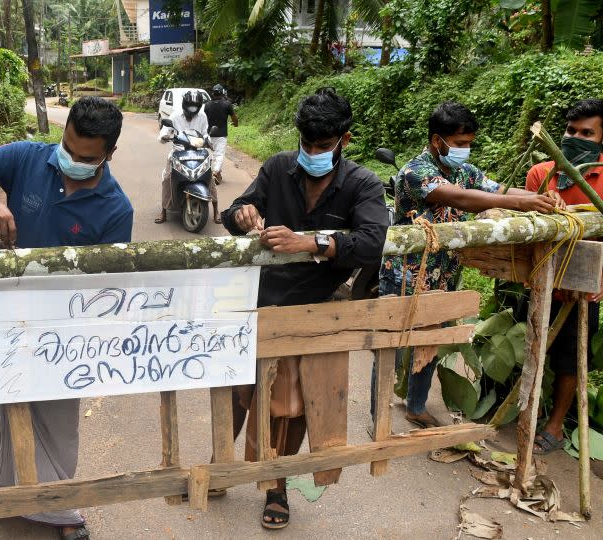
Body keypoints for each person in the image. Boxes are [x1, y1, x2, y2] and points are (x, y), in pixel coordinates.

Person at [0, 96, 132, 540]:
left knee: (58, 416)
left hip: (66, 327)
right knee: (0, 407)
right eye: (67, 147)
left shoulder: (116, 208)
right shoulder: (29, 157)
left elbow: (109, 287)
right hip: (5, 311)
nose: (71, 161)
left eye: (86, 158)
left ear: (108, 154)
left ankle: (58, 509)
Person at [220, 87, 389, 529]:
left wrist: (310, 241)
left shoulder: (363, 184)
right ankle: (222, 464)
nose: (313, 153)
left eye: (323, 146)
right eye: (307, 144)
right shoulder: (278, 168)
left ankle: (277, 486)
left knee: (291, 404)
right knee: (238, 389)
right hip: (258, 300)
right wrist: (242, 215)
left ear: (344, 140)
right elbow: (238, 207)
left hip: (314, 310)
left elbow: (372, 243)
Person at [377, 101, 562, 428]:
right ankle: (378, 412)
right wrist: (521, 201)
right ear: (437, 141)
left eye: (469, 144)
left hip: (445, 273)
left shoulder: (467, 171)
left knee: (431, 342)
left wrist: (544, 199)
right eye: (460, 144)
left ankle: (416, 405)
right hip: (405, 275)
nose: (465, 150)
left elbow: (498, 189)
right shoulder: (415, 172)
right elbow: (460, 198)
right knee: (390, 343)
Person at [524, 98, 603, 454]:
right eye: (571, 130)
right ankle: (524, 408)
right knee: (533, 347)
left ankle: (556, 425)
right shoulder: (541, 174)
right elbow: (523, 230)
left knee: (573, 357)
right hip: (542, 279)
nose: (576, 137)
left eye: (587, 132)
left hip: (584, 288)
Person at [155, 90, 220, 223]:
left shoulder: (202, 116)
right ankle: (164, 211)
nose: (192, 110)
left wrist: (208, 141)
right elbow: (165, 131)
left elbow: (205, 132)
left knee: (210, 177)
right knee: (167, 178)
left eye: (195, 107)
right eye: (190, 106)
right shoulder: (175, 115)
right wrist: (164, 136)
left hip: (199, 151)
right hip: (178, 151)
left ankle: (216, 210)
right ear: (185, 104)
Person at [204, 84, 238, 186]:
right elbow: (234, 118)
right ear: (223, 93)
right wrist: (235, 124)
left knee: (210, 155)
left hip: (209, 133)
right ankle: (215, 172)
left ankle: (213, 172)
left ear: (213, 93)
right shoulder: (227, 104)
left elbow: (203, 119)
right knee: (219, 155)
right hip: (221, 134)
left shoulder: (207, 105)